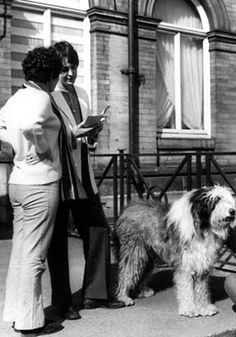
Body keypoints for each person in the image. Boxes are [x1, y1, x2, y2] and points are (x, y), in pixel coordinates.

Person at [47, 41, 125, 320]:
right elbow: (48, 137)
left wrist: (92, 135)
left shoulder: (81, 94)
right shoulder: (47, 95)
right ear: (56, 68)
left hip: (83, 176)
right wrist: (74, 133)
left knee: (98, 229)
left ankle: (96, 294)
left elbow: (85, 140)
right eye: (65, 69)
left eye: (74, 67)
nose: (70, 74)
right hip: (58, 177)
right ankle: (63, 303)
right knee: (57, 241)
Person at [0, 47, 63, 337]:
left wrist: (17, 152)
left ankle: (15, 313)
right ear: (50, 75)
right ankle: (30, 322)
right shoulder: (41, 97)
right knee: (35, 255)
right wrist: (43, 148)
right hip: (40, 183)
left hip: (17, 182)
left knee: (20, 252)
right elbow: (30, 125)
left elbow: (4, 132)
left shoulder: (14, 98)